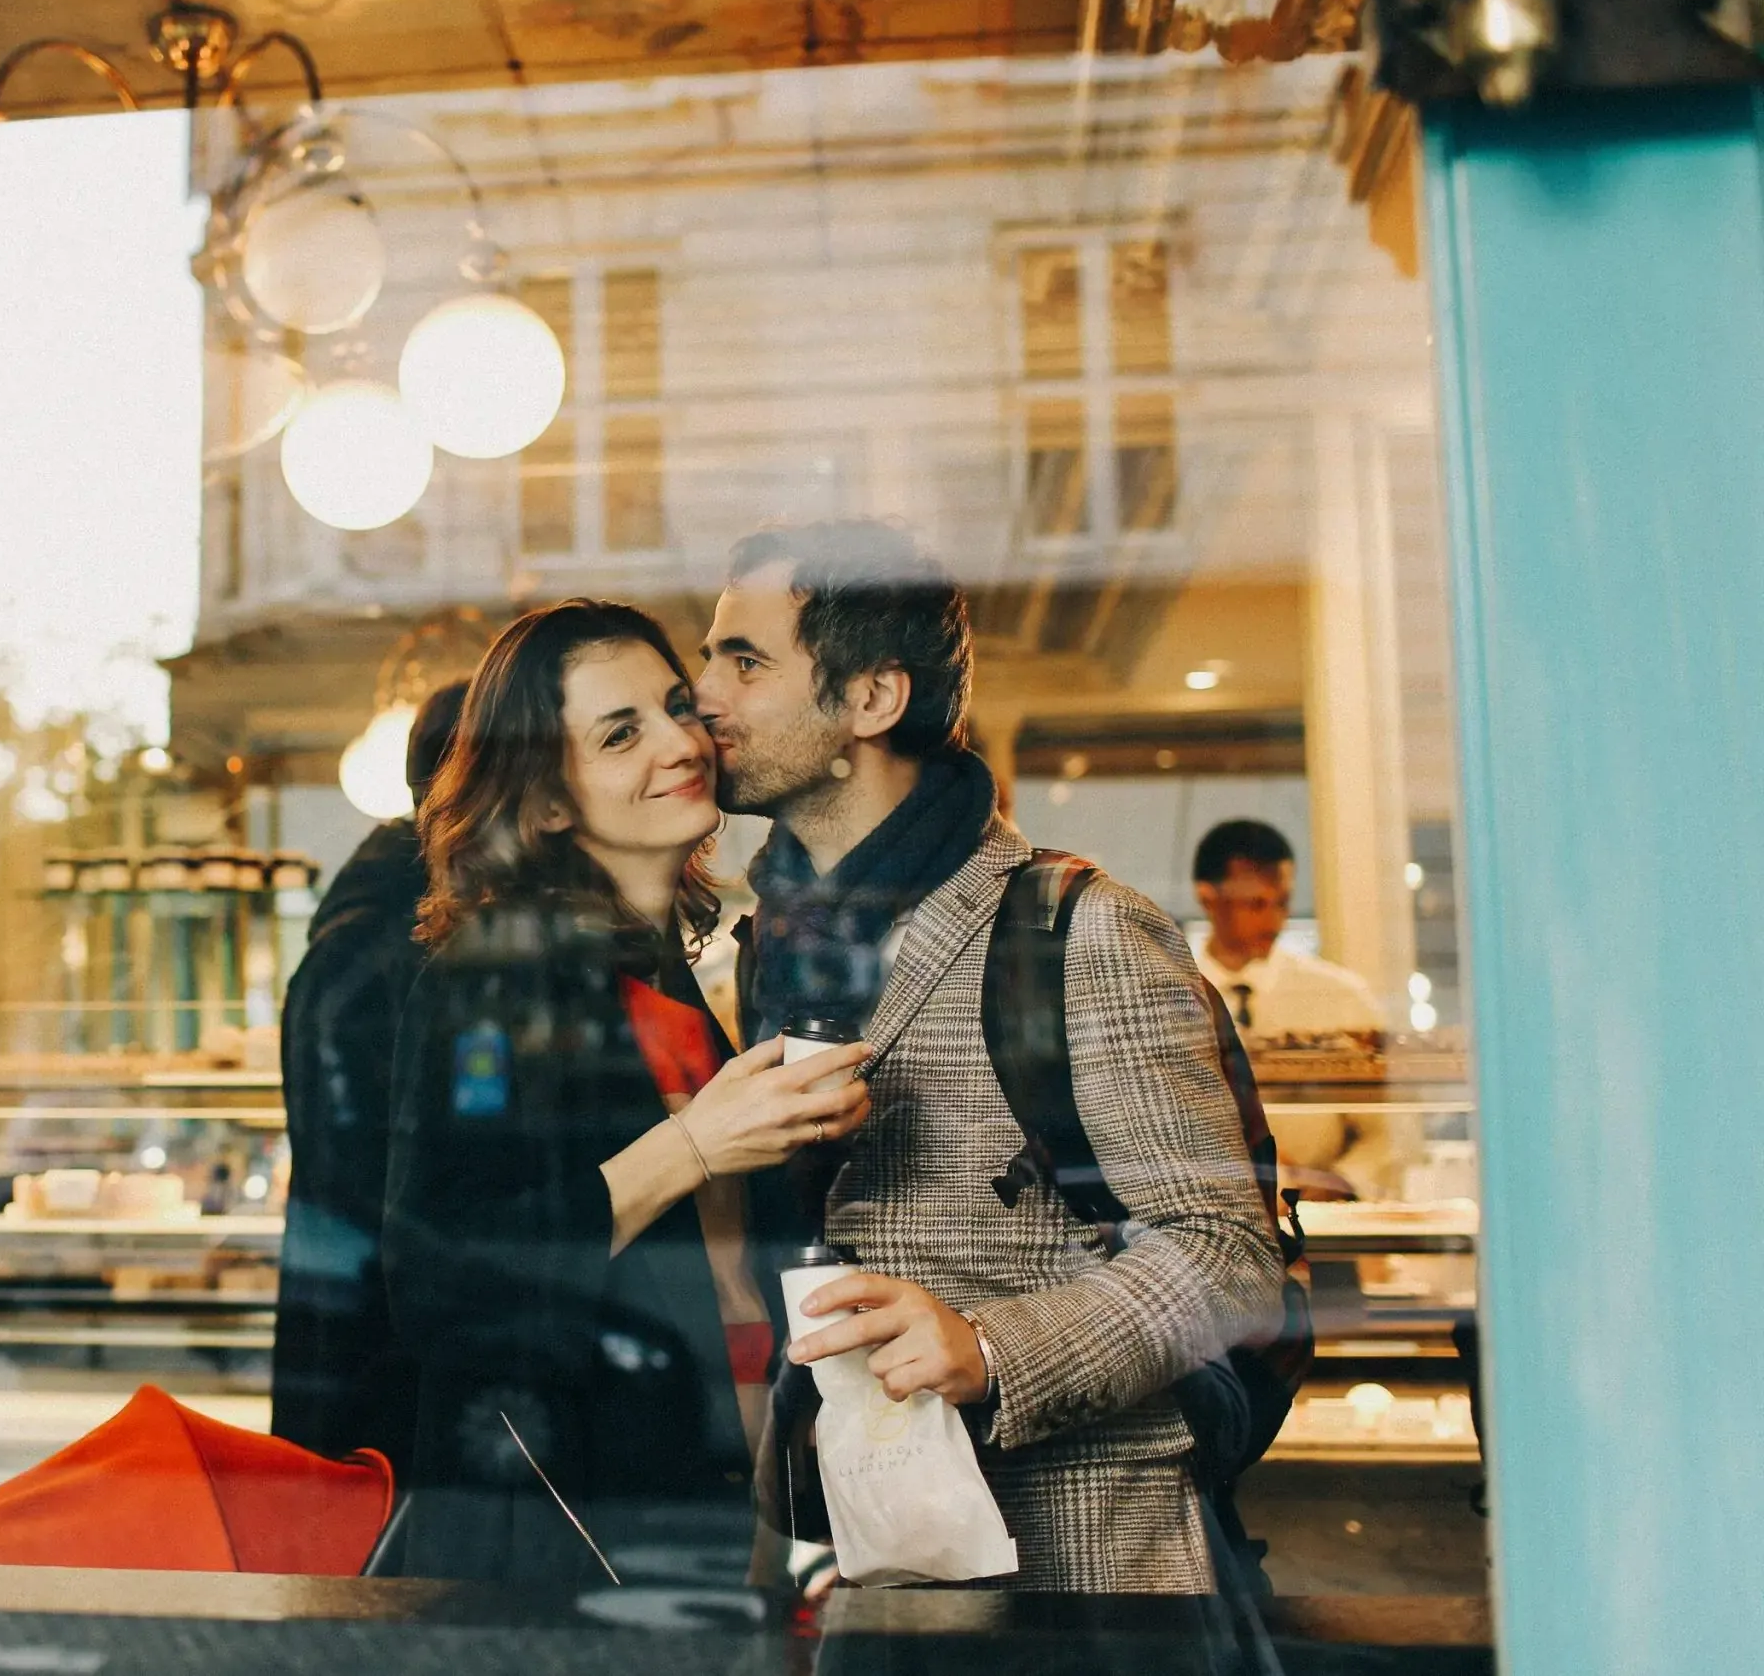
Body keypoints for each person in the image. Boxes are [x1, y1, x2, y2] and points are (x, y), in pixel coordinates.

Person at [695, 519, 1284, 1594]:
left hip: (1078, 1564)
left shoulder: (1073, 927)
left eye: (744, 660)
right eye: (707, 657)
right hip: (858, 1553)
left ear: (871, 700)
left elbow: (1225, 1256)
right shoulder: (768, 944)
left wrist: (991, 1347)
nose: (704, 695)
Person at [379, 599, 874, 1588]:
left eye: (675, 706)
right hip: (565, 1535)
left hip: (712, 1503)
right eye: (619, 733)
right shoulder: (494, 979)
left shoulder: (671, 976)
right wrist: (694, 1146)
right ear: (550, 801)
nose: (677, 742)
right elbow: (439, 1276)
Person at [271, 681, 468, 1465]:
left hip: (372, 1350)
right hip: (383, 1370)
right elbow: (374, 1194)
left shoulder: (388, 926)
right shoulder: (388, 941)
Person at [1191, 817, 1392, 1198]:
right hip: (1202, 1228)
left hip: (1324, 1231)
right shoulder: (1166, 996)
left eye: (1282, 902)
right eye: (1256, 904)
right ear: (1207, 898)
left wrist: (1336, 1184)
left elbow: (1385, 1134)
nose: (1274, 920)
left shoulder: (1339, 996)